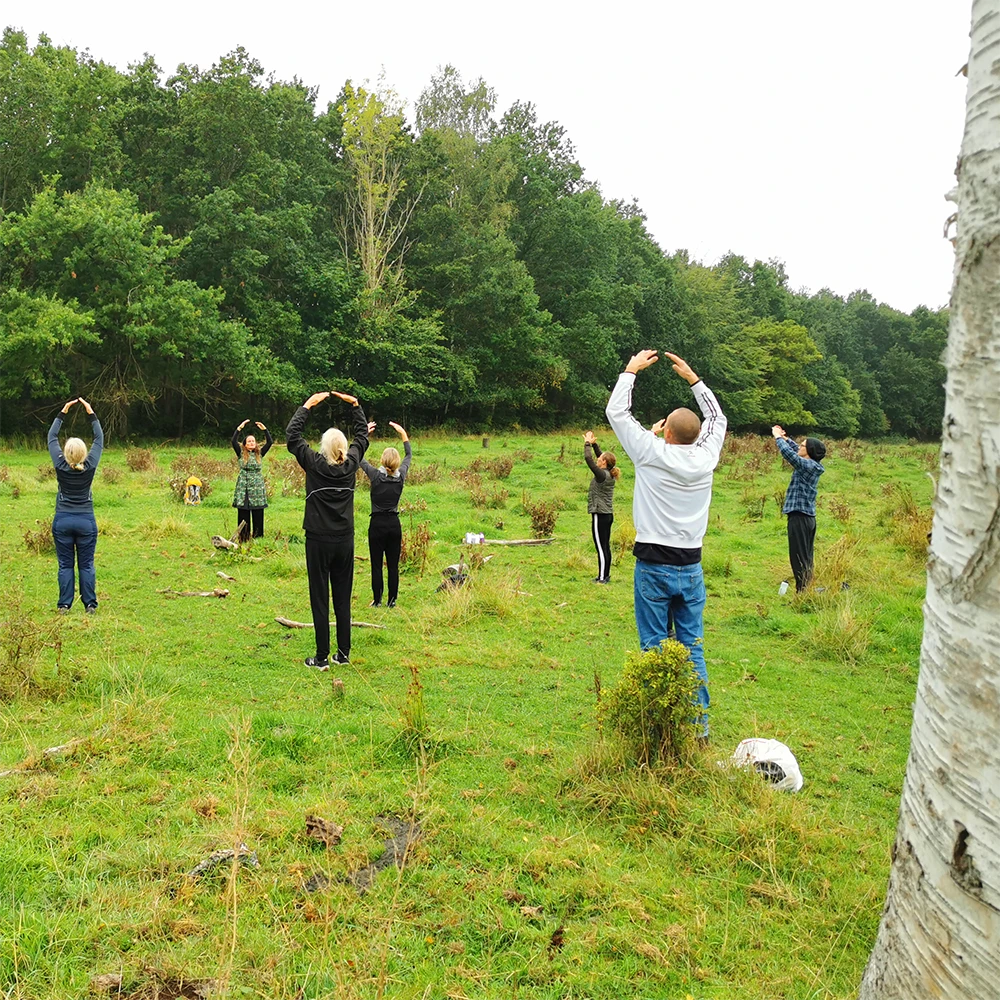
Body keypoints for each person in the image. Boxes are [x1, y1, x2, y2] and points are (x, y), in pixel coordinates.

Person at [606, 350, 727, 739]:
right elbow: (718, 419)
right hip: (691, 566)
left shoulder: (650, 450)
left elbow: (618, 414)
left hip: (653, 564)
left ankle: (659, 728)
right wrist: (694, 379)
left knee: (654, 646)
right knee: (691, 646)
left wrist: (630, 371)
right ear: (695, 436)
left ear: (667, 433)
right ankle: (698, 729)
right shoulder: (707, 456)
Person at [286, 390, 368, 670]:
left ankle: (321, 658)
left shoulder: (313, 463)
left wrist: (308, 405)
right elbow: (362, 437)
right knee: (343, 597)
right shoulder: (352, 463)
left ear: (322, 447)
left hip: (318, 540)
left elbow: (292, 436)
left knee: (320, 598)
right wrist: (355, 405)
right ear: (344, 447)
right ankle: (343, 653)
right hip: (345, 540)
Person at [47, 398, 104, 613]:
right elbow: (99, 438)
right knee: (86, 564)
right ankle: (90, 604)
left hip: (62, 520)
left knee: (65, 565)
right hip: (85, 522)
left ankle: (64, 605)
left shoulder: (60, 465)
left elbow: (51, 436)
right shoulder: (89, 466)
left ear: (66, 452)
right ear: (84, 453)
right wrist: (91, 413)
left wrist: (63, 412)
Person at [360, 420, 412, 608]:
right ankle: (392, 601)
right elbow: (409, 454)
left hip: (377, 525)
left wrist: (364, 435)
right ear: (397, 463)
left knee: (376, 565)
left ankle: (377, 600)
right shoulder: (402, 475)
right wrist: (403, 434)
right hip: (394, 525)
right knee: (393, 565)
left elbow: (358, 457)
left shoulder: (375, 475)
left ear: (382, 461)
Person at [771, 425, 826, 592]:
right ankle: (807, 589)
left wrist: (777, 437)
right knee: (806, 556)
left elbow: (789, 455)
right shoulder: (811, 464)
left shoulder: (807, 466)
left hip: (800, 518)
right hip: (807, 518)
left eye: (803, 445)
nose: (799, 447)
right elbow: (796, 449)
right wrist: (786, 438)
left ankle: (802, 593)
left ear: (808, 451)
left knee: (798, 557)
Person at [582, 430, 620, 583]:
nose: (598, 459)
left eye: (601, 459)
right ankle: (605, 575)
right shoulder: (609, 473)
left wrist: (587, 444)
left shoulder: (601, 475)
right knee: (605, 546)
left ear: (604, 462)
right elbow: (599, 456)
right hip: (608, 514)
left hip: (599, 514)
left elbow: (588, 459)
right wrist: (595, 444)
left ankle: (602, 578)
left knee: (600, 547)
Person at [231, 419, 273, 542]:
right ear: (244, 444)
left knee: (258, 511)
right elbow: (233, 441)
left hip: (257, 487)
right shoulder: (240, 453)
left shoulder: (259, 454)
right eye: (249, 441)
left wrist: (265, 430)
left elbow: (270, 442)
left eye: (253, 441)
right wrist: (239, 428)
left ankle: (258, 537)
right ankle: (243, 538)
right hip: (243, 486)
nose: (251, 442)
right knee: (243, 511)